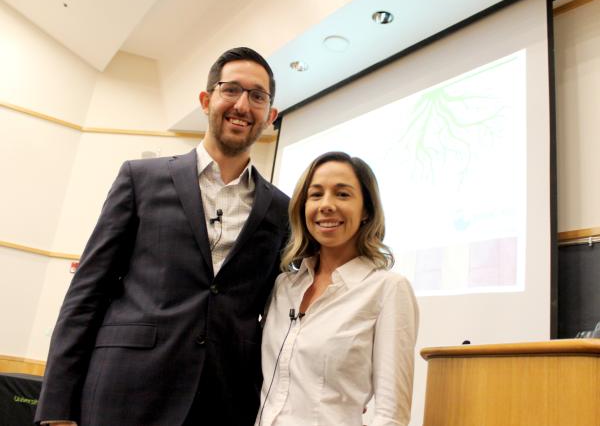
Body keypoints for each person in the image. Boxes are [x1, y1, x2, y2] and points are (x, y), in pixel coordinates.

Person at [35, 47, 290, 426]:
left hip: (224, 401)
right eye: (231, 90)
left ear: (270, 116)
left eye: (257, 96)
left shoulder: (282, 209)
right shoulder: (140, 179)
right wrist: (56, 407)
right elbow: (86, 293)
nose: (242, 105)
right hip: (122, 391)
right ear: (206, 100)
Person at [256, 152, 419, 426]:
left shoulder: (388, 290)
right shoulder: (284, 286)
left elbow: (392, 416)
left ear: (366, 210)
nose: (327, 205)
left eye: (342, 194)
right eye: (316, 194)